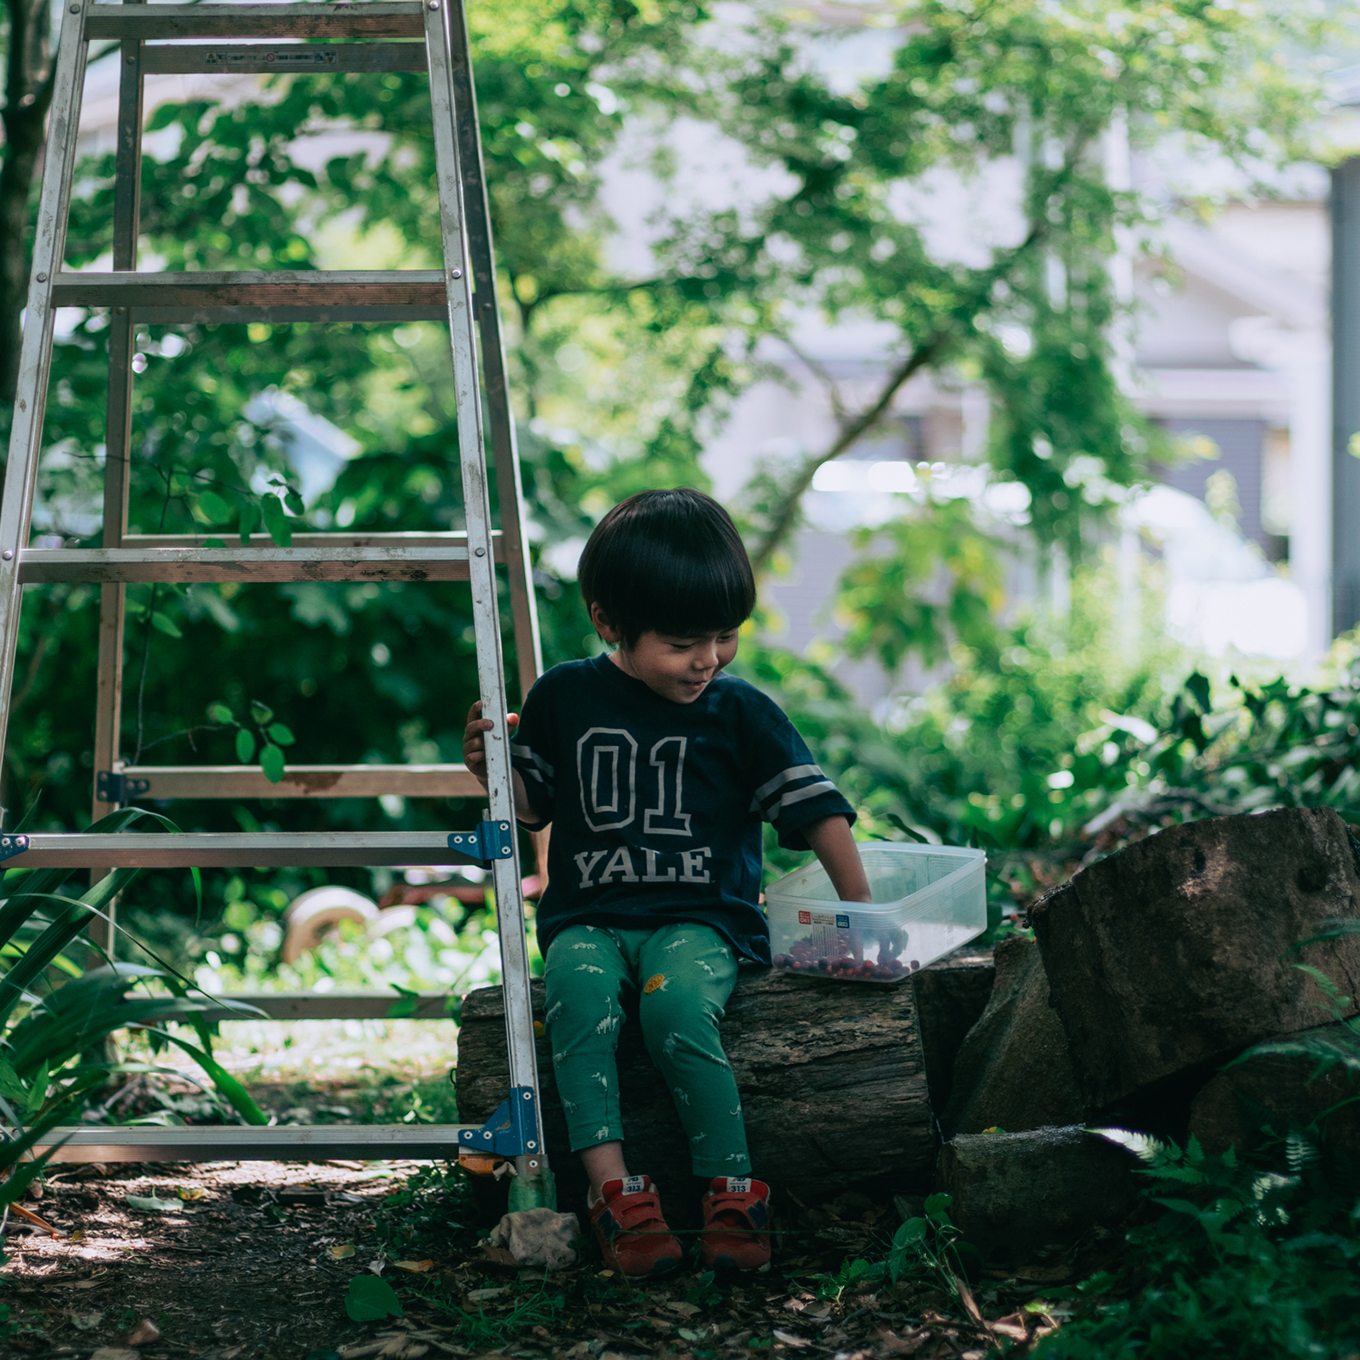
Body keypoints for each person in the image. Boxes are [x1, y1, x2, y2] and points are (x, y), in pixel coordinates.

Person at [463, 488, 871, 1278]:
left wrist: (862, 913)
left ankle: (731, 1187)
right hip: (590, 915)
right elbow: (533, 808)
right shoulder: (565, 698)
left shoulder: (741, 713)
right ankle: (616, 1194)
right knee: (579, 1001)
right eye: (685, 643)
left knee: (677, 1006)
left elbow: (818, 811)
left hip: (701, 919)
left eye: (725, 637)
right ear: (610, 622)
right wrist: (489, 772)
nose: (708, 659)